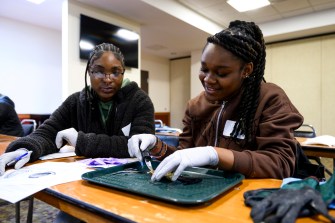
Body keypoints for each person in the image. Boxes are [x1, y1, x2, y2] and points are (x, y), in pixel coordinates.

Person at [128, 20, 304, 182]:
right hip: (203, 194)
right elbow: (183, 155)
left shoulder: (269, 98)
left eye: (221, 73)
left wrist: (215, 155)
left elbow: (280, 164)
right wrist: (156, 145)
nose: (208, 79)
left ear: (246, 70)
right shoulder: (195, 105)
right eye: (204, 69)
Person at [0, 42, 155, 175]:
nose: (108, 79)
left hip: (128, 179)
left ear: (123, 73)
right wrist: (24, 149)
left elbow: (140, 148)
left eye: (115, 72)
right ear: (89, 72)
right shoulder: (76, 102)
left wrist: (82, 141)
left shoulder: (140, 101)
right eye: (99, 71)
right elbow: (48, 132)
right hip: (83, 180)